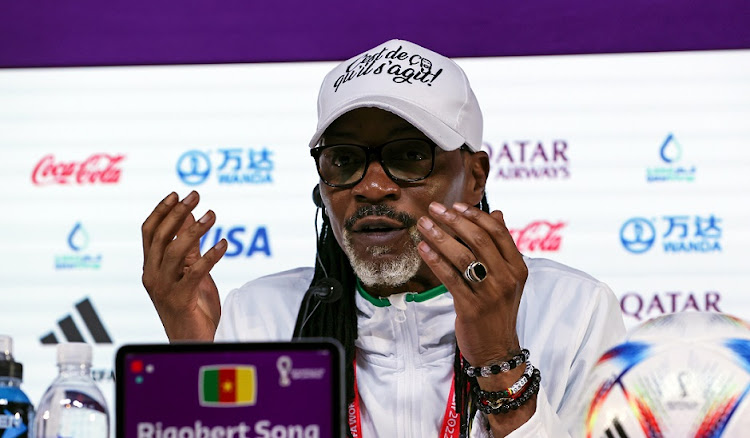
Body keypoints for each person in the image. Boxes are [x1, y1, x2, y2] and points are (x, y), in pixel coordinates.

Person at [141, 39, 625, 437]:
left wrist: (499, 361)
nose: (372, 187)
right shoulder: (259, 316)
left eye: (410, 154)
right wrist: (195, 361)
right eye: (345, 160)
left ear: (475, 176)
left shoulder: (574, 310)